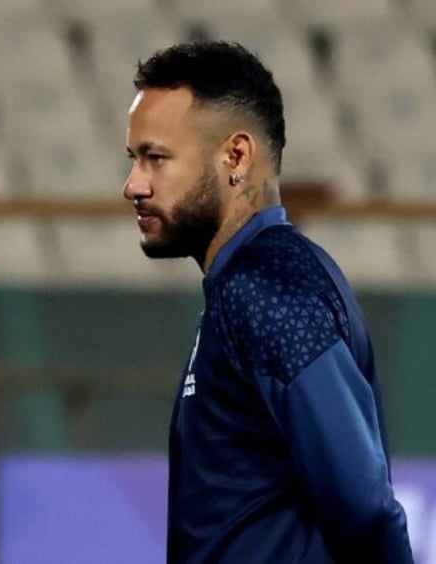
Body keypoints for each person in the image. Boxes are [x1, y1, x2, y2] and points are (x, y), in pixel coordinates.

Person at [123, 41, 413, 563]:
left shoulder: (268, 288)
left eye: (156, 159)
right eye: (134, 159)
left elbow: (364, 503)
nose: (133, 185)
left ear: (236, 156)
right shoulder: (251, 281)